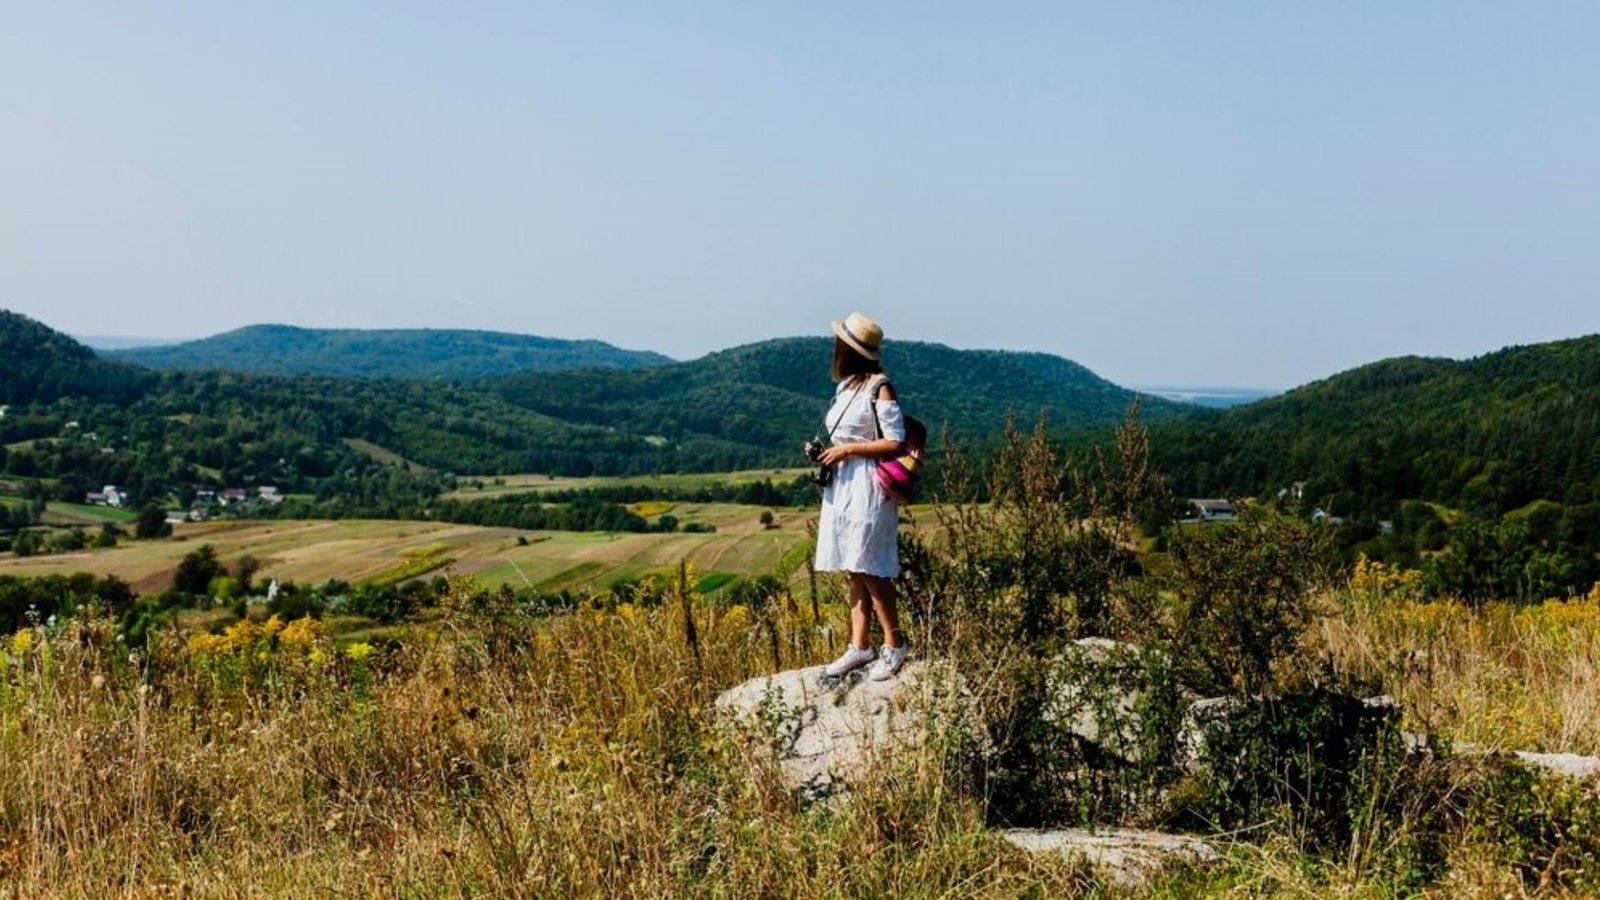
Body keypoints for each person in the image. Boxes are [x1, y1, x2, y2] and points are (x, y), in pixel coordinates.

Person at [811, 311, 910, 680]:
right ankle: (860, 647)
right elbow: (845, 436)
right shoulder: (848, 385)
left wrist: (849, 451)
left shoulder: (879, 386)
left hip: (869, 485)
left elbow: (895, 441)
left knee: (870, 566)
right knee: (852, 566)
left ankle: (895, 644)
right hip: (843, 485)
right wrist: (827, 450)